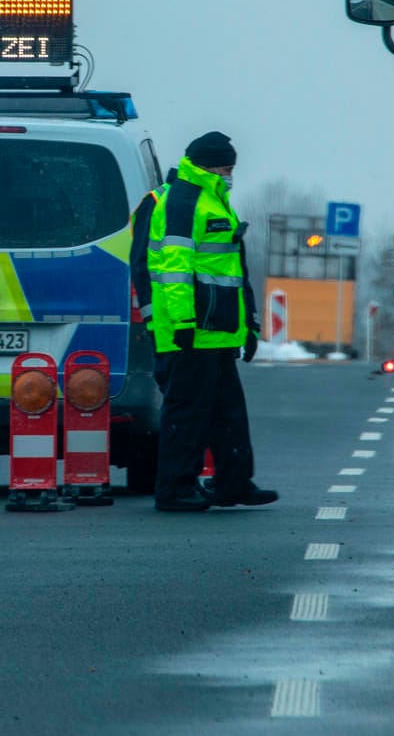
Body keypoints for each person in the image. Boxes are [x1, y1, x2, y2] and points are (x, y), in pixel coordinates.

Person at [148, 131, 278, 512]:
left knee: (228, 414)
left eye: (232, 168)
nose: (230, 174)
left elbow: (232, 272)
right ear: (206, 165)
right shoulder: (184, 201)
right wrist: (184, 321)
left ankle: (233, 483)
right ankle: (174, 489)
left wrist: (249, 325)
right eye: (225, 167)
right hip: (190, 332)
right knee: (186, 414)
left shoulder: (214, 200)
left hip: (218, 331)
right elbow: (173, 267)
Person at [128, 167, 177, 390]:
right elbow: (140, 264)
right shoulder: (158, 201)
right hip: (166, 321)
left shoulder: (212, 202)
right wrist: (150, 318)